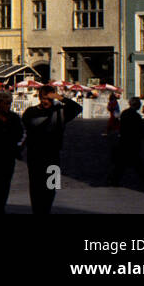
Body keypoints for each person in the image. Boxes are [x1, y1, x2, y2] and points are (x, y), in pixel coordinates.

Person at [22, 84, 82, 214]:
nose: (46, 101)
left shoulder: (60, 111)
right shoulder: (30, 112)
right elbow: (26, 128)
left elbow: (78, 108)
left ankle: (46, 210)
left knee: (52, 185)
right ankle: (37, 211)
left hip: (54, 155)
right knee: (36, 187)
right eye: (43, 98)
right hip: (35, 156)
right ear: (39, 98)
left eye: (49, 99)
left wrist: (60, 97)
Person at [109, 97, 144, 186]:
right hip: (133, 142)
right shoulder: (136, 116)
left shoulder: (125, 113)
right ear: (136, 105)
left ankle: (114, 180)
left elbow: (121, 127)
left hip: (124, 141)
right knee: (137, 164)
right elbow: (141, 130)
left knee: (121, 164)